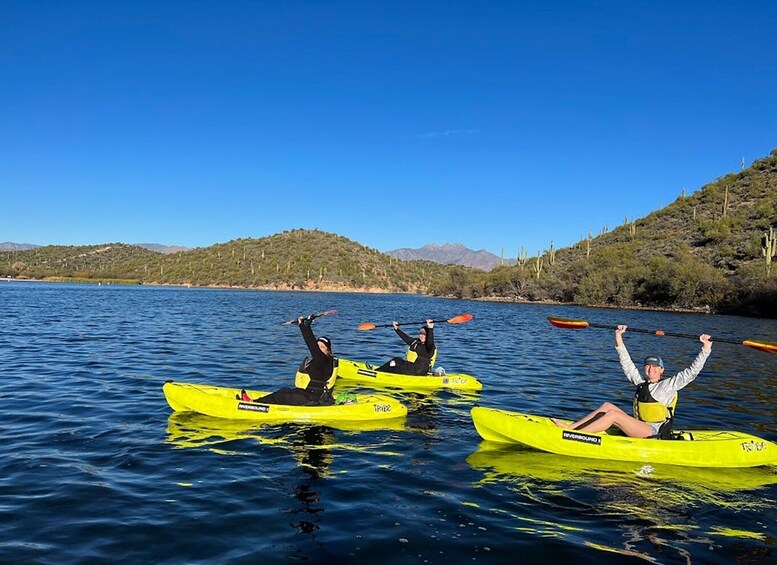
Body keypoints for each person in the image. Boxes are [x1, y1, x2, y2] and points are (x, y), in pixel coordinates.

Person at [551, 324, 713, 438]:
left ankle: (576, 436)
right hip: (639, 425)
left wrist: (705, 349)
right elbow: (627, 364)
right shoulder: (641, 383)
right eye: (648, 366)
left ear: (662, 370)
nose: (651, 369)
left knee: (614, 414)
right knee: (608, 406)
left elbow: (691, 372)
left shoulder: (668, 386)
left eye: (656, 367)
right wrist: (618, 337)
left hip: (653, 431)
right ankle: (571, 427)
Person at [242, 315, 336, 406]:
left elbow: (312, 346)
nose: (319, 349)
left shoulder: (325, 360)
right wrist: (304, 325)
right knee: (283, 391)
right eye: (318, 346)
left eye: (322, 347)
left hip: (315, 399)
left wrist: (305, 326)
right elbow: (314, 349)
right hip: (308, 393)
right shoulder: (318, 359)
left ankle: (253, 404)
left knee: (282, 396)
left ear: (329, 351)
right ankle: (256, 401)